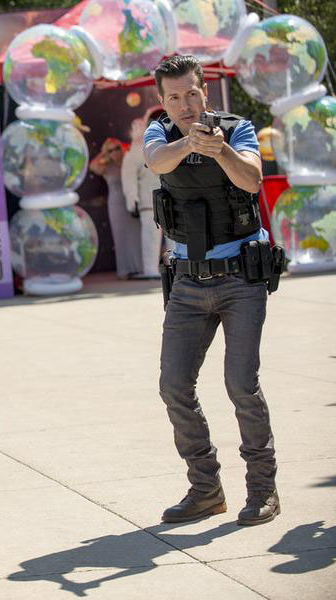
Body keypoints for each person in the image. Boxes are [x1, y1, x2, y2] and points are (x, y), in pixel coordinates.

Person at [143, 55, 280, 527]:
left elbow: (252, 179)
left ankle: (263, 490)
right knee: (174, 385)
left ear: (207, 92)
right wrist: (187, 144)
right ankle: (205, 489)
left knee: (242, 385)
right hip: (187, 279)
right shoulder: (160, 133)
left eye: (192, 93)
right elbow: (156, 161)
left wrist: (220, 150)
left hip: (241, 278)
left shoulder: (237, 129)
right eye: (174, 97)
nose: (184, 103)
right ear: (162, 100)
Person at [90, 137, 143, 279]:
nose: (114, 152)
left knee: (136, 235)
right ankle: (125, 271)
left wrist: (124, 148)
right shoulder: (106, 166)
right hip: (116, 205)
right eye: (110, 150)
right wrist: (104, 153)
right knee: (120, 237)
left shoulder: (130, 162)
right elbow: (93, 166)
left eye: (117, 148)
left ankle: (140, 268)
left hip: (132, 202)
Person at [122, 111, 166, 278]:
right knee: (150, 238)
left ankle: (176, 267)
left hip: (170, 200)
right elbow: (129, 176)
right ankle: (150, 269)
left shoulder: (172, 143)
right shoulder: (137, 150)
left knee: (175, 239)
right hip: (149, 202)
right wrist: (132, 199)